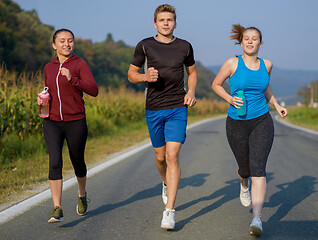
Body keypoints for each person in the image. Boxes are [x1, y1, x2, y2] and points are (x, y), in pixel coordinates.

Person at [212, 24, 287, 236]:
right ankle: (243, 184)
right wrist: (229, 98)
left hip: (262, 120)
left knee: (259, 168)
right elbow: (216, 84)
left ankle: (257, 218)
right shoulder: (232, 63)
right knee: (244, 169)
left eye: (254, 38)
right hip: (236, 122)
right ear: (241, 42)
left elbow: (266, 88)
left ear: (260, 44)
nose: (250, 41)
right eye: (247, 38)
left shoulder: (267, 64)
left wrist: (277, 104)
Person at [127, 4, 197, 230]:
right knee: (160, 157)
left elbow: (192, 72)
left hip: (177, 107)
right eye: (162, 20)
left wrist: (192, 92)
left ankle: (169, 211)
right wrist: (144, 76)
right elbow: (131, 74)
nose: (166, 23)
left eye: (170, 19)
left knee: (172, 156)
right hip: (154, 108)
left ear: (175, 22)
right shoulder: (145, 45)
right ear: (155, 23)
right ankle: (166, 181)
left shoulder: (185, 46)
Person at [37, 29, 98, 223]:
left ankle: (81, 194)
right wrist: (42, 99)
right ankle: (57, 207)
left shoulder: (80, 64)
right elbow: (50, 90)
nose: (66, 44)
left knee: (77, 161)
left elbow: (94, 90)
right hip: (52, 121)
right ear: (54, 45)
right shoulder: (48, 67)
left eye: (70, 41)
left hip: (75, 120)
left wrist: (73, 79)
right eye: (62, 41)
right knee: (55, 161)